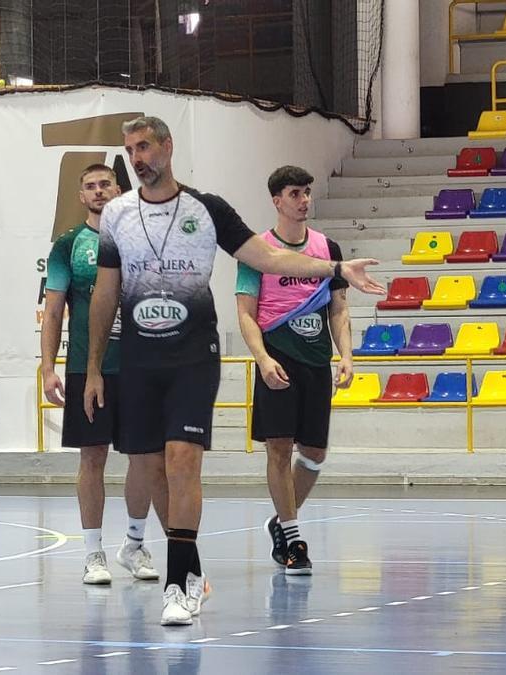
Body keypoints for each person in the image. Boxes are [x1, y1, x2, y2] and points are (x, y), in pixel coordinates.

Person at [83, 116, 385, 626]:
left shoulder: (207, 208)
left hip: (191, 356)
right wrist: (93, 367)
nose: (138, 159)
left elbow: (268, 258)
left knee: (182, 460)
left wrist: (335, 269)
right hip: (137, 359)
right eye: (130, 150)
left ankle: (178, 585)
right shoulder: (116, 214)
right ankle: (193, 570)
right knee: (151, 466)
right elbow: (105, 292)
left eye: (146, 147)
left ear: (168, 147)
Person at [41, 163, 168, 585]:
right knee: (92, 457)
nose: (98, 191)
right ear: (82, 196)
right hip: (86, 368)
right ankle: (93, 552)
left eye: (105, 184)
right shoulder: (68, 246)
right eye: (90, 186)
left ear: (119, 189)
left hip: (137, 368)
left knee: (146, 458)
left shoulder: (143, 241)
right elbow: (54, 310)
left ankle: (134, 544)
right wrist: (48, 367)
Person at [234, 165, 353, 575]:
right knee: (279, 448)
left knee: (315, 453)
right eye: (295, 193)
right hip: (277, 358)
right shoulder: (256, 251)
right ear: (277, 200)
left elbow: (338, 308)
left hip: (316, 362)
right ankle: (292, 536)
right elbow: (246, 314)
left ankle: (280, 521)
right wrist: (263, 359)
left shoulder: (327, 247)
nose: (304, 200)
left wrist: (347, 355)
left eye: (306, 192)